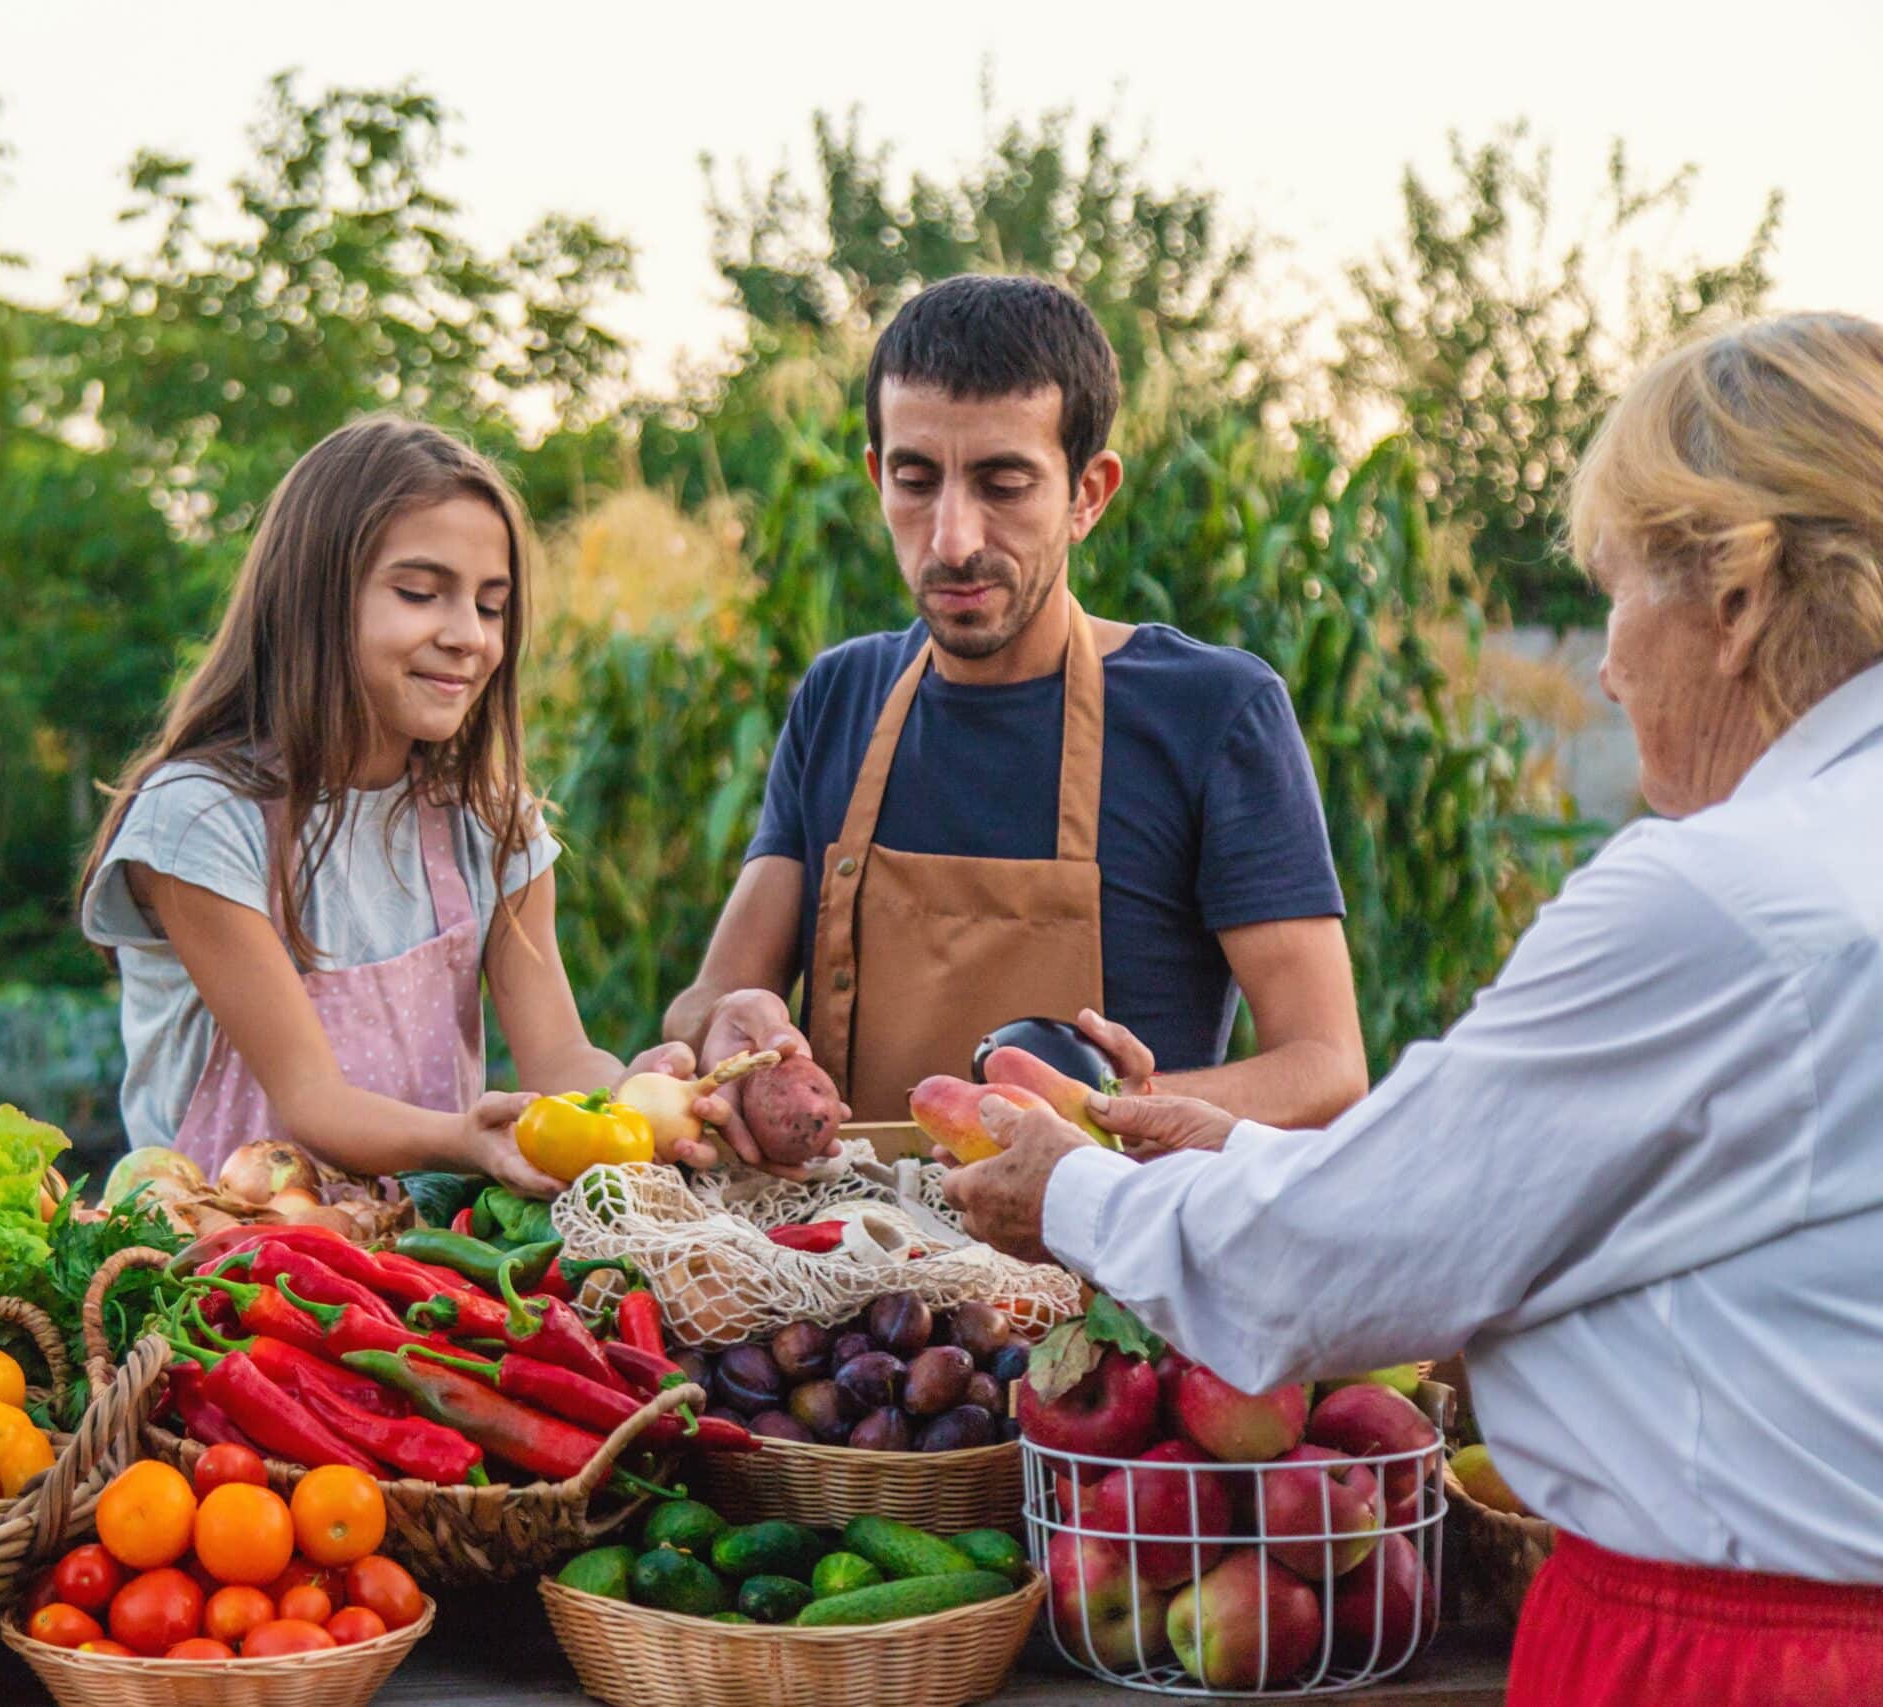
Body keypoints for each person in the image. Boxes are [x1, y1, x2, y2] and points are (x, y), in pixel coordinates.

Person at [941, 312, 1883, 1705]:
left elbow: (1323, 1272)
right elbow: (1579, 1195)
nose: (1609, 667)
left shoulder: (1724, 900)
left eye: (1620, 593)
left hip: (1739, 1650)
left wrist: (1074, 1191)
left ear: (1737, 598)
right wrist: (1244, 1153)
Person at [663, 274, 1366, 1162]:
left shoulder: (1213, 713)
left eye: (1004, 483)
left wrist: (1112, 1109)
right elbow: (707, 1000)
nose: (952, 538)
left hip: (1096, 1277)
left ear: (1088, 494)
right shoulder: (841, 694)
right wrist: (727, 1021)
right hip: (845, 1268)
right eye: (916, 480)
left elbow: (1327, 1067)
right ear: (878, 478)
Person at [77, 417, 697, 1196]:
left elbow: (560, 1060)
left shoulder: (489, 823)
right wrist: (466, 1140)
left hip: (420, 1270)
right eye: (419, 593)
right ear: (314, 599)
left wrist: (642, 1102)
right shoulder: (202, 820)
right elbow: (312, 1102)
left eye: (492, 605)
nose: (470, 636)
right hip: (218, 1274)